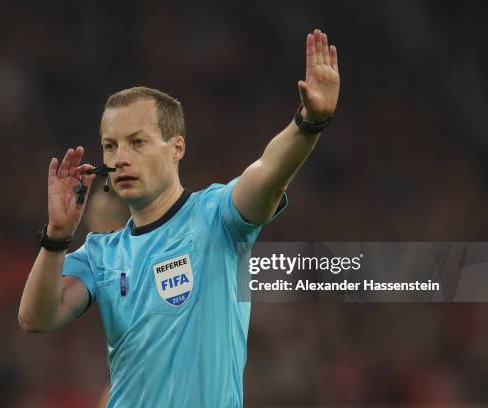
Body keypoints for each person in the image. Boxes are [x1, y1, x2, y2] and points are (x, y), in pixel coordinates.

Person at [19, 28, 340, 407]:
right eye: (110, 146)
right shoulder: (100, 253)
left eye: (137, 142)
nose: (120, 157)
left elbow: (268, 172)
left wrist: (308, 123)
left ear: (176, 148)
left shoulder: (218, 217)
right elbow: (35, 318)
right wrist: (57, 237)